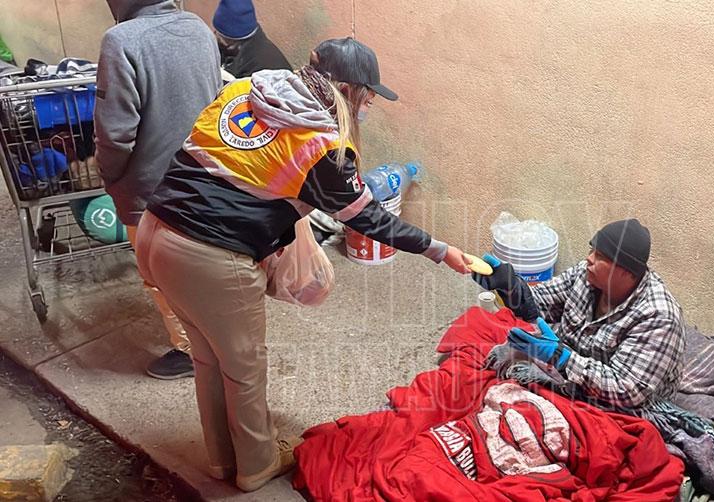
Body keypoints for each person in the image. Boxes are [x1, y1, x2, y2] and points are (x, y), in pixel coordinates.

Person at [135, 37, 473, 492]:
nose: (367, 107)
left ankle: (221, 460)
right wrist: (439, 249)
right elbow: (369, 218)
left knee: (208, 357)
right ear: (347, 90)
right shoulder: (322, 144)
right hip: (208, 255)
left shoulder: (247, 89)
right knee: (243, 368)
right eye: (367, 97)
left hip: (155, 231)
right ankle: (256, 465)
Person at [94, 0, 221, 380]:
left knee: (161, 278)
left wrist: (110, 178)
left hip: (151, 187)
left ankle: (192, 352)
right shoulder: (198, 27)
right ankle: (219, 338)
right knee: (203, 263)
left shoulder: (121, 40)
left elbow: (115, 133)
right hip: (204, 174)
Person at [474, 218, 685, 413]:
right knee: (477, 343)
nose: (589, 259)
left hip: (622, 403)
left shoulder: (659, 317)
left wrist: (562, 358)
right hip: (572, 373)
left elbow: (626, 391)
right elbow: (539, 303)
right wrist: (511, 287)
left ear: (627, 272)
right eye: (592, 250)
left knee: (527, 417)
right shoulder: (585, 274)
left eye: (600, 257)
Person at [212, 0, 291, 79]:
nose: (215, 34)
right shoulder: (248, 43)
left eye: (219, 35)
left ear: (232, 41)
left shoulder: (260, 66)